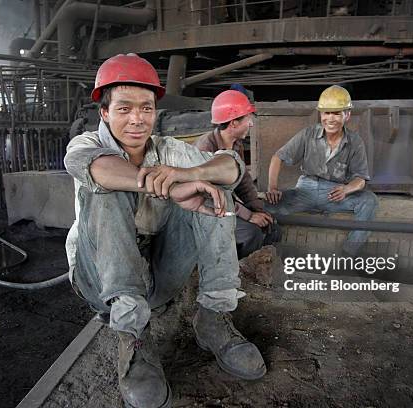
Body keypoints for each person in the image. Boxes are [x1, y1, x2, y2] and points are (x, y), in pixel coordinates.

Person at [64, 54, 266, 408]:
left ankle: (213, 316)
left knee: (213, 192)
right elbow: (99, 170)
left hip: (158, 280)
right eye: (124, 109)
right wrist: (170, 188)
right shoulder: (86, 146)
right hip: (100, 283)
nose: (137, 119)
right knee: (108, 193)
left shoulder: (168, 150)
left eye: (146, 108)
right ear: (104, 113)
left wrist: (189, 177)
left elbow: (232, 166)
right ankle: (134, 340)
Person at [265, 85, 378, 256]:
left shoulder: (355, 142)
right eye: (326, 113)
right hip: (305, 190)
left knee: (369, 201)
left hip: (334, 195)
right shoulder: (308, 134)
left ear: (347, 115)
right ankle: (269, 249)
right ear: (320, 114)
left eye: (337, 113)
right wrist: (272, 187)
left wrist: (346, 189)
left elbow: (360, 178)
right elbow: (277, 157)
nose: (330, 119)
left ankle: (349, 253)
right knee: (264, 205)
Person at [195, 89, 280, 259]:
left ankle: (260, 274)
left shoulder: (236, 144)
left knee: (271, 226)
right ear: (233, 123)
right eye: (248, 119)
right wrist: (249, 216)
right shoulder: (205, 148)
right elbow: (211, 196)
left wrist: (258, 210)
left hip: (227, 206)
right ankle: (234, 273)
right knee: (251, 234)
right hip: (205, 211)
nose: (251, 124)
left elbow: (244, 182)